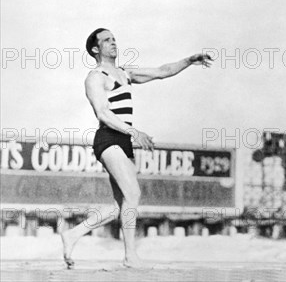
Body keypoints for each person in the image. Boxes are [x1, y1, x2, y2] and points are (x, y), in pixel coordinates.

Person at [60, 28, 212, 269]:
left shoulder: (125, 73)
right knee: (134, 194)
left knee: (121, 205)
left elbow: (162, 72)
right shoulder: (95, 77)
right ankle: (131, 256)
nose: (113, 43)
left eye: (114, 39)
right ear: (95, 49)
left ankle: (74, 234)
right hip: (108, 138)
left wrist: (188, 61)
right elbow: (103, 113)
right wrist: (134, 131)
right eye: (107, 40)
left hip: (123, 142)